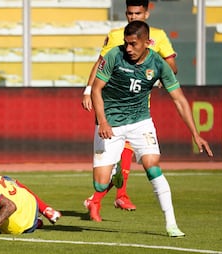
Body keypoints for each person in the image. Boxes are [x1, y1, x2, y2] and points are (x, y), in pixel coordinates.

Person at [90, 20, 213, 237]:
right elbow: (97, 90)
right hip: (111, 123)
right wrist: (103, 121)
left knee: (152, 165)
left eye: (133, 44)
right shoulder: (113, 56)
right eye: (126, 44)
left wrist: (196, 134)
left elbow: (180, 100)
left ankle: (171, 223)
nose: (128, 49)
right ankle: (115, 172)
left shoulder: (158, 64)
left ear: (147, 43)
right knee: (100, 185)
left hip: (140, 122)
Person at [82, 0, 178, 219]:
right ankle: (116, 192)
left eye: (137, 13)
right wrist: (88, 90)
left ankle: (118, 194)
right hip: (114, 108)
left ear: (146, 13)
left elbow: (171, 66)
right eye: (129, 13)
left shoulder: (159, 36)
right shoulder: (116, 36)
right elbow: (100, 64)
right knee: (107, 171)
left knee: (138, 154)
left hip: (140, 108)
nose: (133, 17)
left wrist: (161, 76)